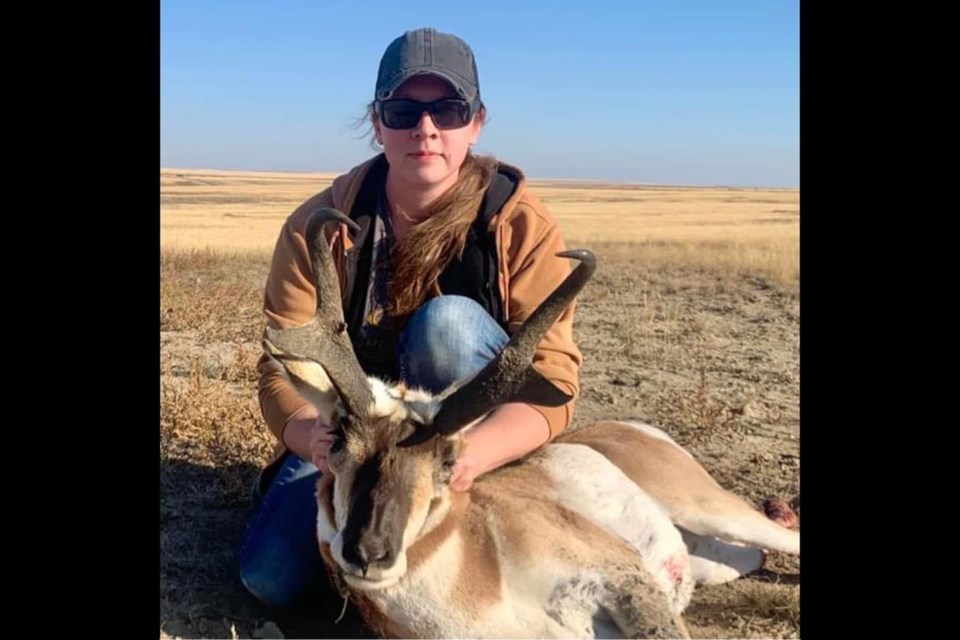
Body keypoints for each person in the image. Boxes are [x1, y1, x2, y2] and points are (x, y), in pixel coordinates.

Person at [238, 27, 582, 608]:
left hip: (459, 441)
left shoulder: (519, 226)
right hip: (355, 440)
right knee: (270, 577)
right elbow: (283, 368)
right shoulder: (318, 227)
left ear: (475, 122)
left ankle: (485, 501)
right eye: (403, 111)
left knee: (445, 328)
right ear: (377, 123)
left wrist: (470, 457)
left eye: (448, 110)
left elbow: (554, 383)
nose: (426, 129)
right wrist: (311, 439)